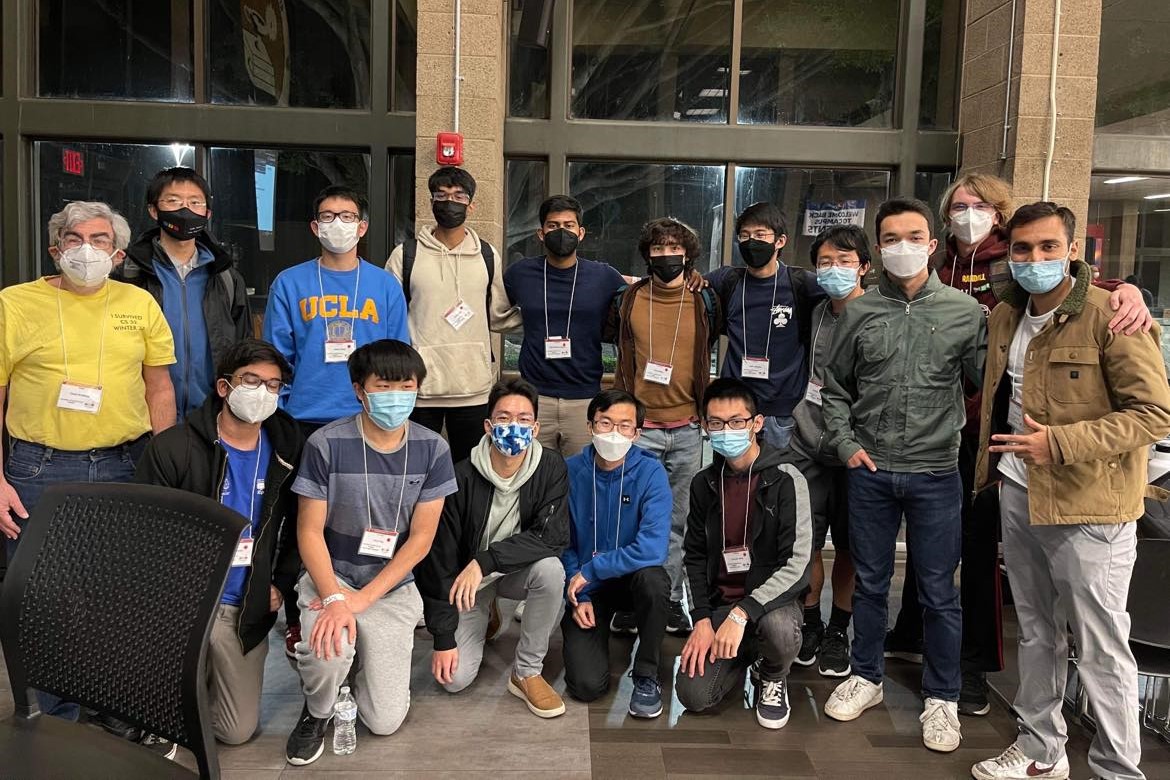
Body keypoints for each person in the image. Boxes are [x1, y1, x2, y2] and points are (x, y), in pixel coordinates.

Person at [887, 173, 1154, 716]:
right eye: (958, 206)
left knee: (982, 551)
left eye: (980, 206)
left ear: (1000, 215)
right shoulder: (936, 270)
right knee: (931, 542)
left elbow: (1077, 294)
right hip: (942, 431)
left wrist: (1130, 292)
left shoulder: (1011, 271)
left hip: (1008, 439)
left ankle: (975, 666)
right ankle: (915, 630)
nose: (967, 214)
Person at [970, 202, 1170, 780]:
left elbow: (1154, 414)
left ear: (1073, 251)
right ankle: (1040, 750)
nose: (1034, 260)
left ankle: (1117, 769)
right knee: (1036, 631)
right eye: (1023, 250)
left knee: (1102, 643)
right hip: (1018, 491)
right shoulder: (1005, 315)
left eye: (1047, 248)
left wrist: (1060, 444)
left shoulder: (1114, 316)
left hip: (1091, 505)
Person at [0, 200, 176, 749]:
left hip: (124, 463)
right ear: (55, 248)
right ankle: (51, 718)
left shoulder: (139, 302)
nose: (86, 249)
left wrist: (161, 466)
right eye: (73, 239)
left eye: (99, 240)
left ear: (118, 253)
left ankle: (110, 708)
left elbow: (160, 389)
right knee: (42, 597)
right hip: (37, 468)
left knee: (114, 597)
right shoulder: (14, 303)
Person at [820, 197, 985, 753]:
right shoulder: (859, 312)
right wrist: (844, 445)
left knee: (939, 590)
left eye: (914, 237)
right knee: (869, 582)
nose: (903, 247)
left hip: (936, 472)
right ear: (878, 248)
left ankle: (941, 696)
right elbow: (836, 389)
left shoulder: (964, 314)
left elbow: (987, 381)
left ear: (933, 245)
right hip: (869, 470)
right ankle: (865, 676)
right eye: (891, 238)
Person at [285, 340, 456, 766]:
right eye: (384, 385)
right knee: (329, 650)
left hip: (391, 587)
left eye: (406, 385)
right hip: (334, 576)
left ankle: (368, 668)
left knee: (384, 720)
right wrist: (338, 598)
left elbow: (420, 539)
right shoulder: (325, 443)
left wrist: (364, 600)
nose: (396, 395)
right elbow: (308, 532)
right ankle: (317, 710)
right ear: (360, 390)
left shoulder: (433, 448)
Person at [264, 184, 410, 656]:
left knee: (362, 518)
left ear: (362, 227)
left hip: (367, 421)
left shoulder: (384, 285)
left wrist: (388, 410)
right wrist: (287, 405)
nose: (337, 225)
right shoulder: (290, 282)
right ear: (314, 226)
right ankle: (298, 615)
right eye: (327, 216)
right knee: (297, 524)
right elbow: (276, 357)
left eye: (347, 216)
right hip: (304, 422)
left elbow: (396, 356)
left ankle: (367, 606)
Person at [135, 338, 303, 746]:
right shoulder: (174, 448)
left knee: (235, 730)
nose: (263, 392)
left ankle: (191, 695)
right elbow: (143, 536)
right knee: (158, 703)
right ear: (224, 387)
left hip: (240, 604)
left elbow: (301, 526)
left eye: (274, 384)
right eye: (252, 380)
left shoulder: (288, 448)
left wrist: (278, 584)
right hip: (182, 602)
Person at [416, 377, 569, 718]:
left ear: (536, 426)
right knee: (453, 680)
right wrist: (443, 638)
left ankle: (526, 671)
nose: (513, 426)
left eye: (523, 419)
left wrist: (484, 562)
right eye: (503, 418)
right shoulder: (459, 476)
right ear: (487, 425)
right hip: (466, 584)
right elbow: (437, 561)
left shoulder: (551, 467)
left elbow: (551, 537)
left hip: (509, 569)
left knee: (551, 570)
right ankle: (487, 612)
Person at [607, 217, 723, 636]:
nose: (666, 255)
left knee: (678, 520)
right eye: (658, 249)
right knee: (629, 518)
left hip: (688, 428)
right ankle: (628, 598)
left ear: (689, 255)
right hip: (639, 428)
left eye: (675, 248)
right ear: (647, 255)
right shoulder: (629, 299)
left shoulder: (704, 300)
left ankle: (670, 599)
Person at [676, 378, 811, 730]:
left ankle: (772, 674)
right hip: (723, 607)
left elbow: (798, 566)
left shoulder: (787, 479)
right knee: (694, 696)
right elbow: (693, 555)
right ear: (705, 426)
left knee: (779, 630)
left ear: (757, 423)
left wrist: (743, 614)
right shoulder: (703, 483)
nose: (727, 430)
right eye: (716, 423)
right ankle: (745, 655)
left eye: (737, 421)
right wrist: (702, 619)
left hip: (770, 606)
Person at [385, 166, 521, 465]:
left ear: (470, 204)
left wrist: (544, 316)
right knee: (415, 467)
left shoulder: (487, 255)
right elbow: (389, 319)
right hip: (419, 388)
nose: (450, 202)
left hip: (473, 388)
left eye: (459, 196)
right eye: (442, 195)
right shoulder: (405, 255)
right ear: (431, 202)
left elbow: (498, 314)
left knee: (469, 471)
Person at [560, 389, 672, 718]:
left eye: (624, 426)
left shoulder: (651, 473)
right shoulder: (569, 471)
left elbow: (653, 547)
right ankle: (599, 628)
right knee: (585, 687)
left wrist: (594, 569)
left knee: (655, 582)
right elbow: (561, 541)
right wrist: (578, 593)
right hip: (587, 588)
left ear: (637, 432)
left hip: (631, 580)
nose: (614, 432)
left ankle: (647, 674)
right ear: (590, 426)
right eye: (605, 423)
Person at [788, 225, 867, 679]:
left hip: (858, 453)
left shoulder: (878, 313)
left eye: (845, 261)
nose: (834, 270)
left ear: (865, 268)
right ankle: (812, 623)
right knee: (808, 542)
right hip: (807, 443)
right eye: (825, 262)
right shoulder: (815, 311)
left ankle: (840, 630)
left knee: (853, 548)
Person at [116, 166, 252, 419]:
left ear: (207, 212)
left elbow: (243, 349)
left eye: (195, 202)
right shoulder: (129, 274)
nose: (185, 210)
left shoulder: (225, 277)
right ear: (153, 210)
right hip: (140, 417)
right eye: (174, 201)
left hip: (210, 415)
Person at [504, 195, 626, 457]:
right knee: (531, 477)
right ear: (540, 233)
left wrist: (692, 277)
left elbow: (644, 291)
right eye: (553, 225)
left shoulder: (603, 275)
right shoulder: (520, 274)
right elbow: (493, 306)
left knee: (579, 479)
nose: (561, 231)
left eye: (569, 226)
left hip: (583, 398)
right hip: (535, 397)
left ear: (581, 233)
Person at [709, 202, 824, 450]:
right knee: (731, 482)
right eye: (745, 236)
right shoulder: (727, 280)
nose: (751, 242)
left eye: (760, 235)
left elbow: (846, 296)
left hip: (782, 411)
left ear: (780, 241)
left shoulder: (802, 283)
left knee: (777, 482)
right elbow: (681, 285)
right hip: (734, 408)